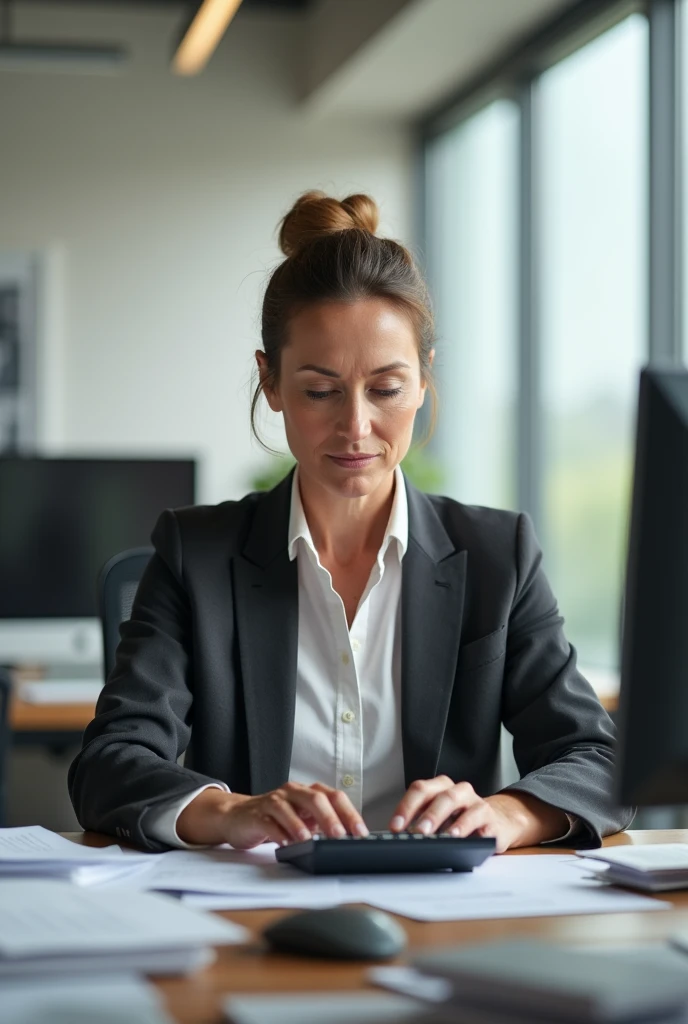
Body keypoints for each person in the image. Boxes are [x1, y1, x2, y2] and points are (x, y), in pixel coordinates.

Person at [69, 191, 633, 853]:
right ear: (271, 382)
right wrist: (229, 812)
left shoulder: (496, 554)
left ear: (424, 380)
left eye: (387, 388)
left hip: (446, 917)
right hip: (256, 909)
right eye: (319, 389)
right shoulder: (197, 554)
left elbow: (601, 763)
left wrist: (508, 814)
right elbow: (109, 765)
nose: (356, 426)